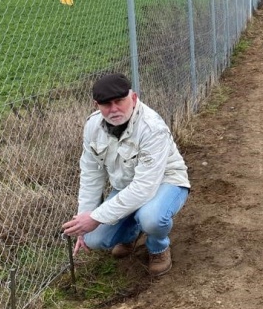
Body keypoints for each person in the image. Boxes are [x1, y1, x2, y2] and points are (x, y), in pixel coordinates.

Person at [62, 73, 190, 276]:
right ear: (97, 105)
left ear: (133, 98)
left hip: (166, 181)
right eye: (106, 104)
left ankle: (158, 247)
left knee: (151, 218)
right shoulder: (93, 126)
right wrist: (84, 220)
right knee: (93, 238)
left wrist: (97, 216)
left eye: (119, 101)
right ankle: (130, 233)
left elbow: (144, 187)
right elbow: (91, 175)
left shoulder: (151, 128)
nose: (113, 109)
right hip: (127, 186)